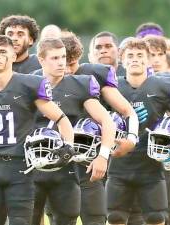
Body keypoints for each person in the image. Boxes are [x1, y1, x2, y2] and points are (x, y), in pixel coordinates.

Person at [0, 35, 74, 225]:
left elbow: (62, 119)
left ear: (14, 56)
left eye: (3, 52)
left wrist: (68, 145)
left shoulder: (29, 85)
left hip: (20, 169)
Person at [106, 37, 170, 225]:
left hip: (151, 167)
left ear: (148, 60)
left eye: (140, 55)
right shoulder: (111, 88)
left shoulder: (161, 86)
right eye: (130, 55)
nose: (135, 59)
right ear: (122, 60)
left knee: (156, 218)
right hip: (118, 165)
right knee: (115, 217)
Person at [31, 37, 116, 225]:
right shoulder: (27, 85)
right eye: (54, 58)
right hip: (36, 167)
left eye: (63, 57)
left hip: (72, 166)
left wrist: (103, 155)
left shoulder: (80, 84)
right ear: (41, 60)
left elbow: (107, 120)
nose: (61, 62)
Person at [59, 31, 139, 225]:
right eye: (62, 61)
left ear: (78, 57)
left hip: (90, 155)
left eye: (71, 63)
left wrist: (131, 138)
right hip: (58, 156)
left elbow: (127, 111)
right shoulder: (41, 78)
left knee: (94, 215)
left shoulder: (94, 74)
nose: (67, 69)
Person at [0, 15, 41, 79]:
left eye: (20, 34)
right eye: (10, 34)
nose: (14, 38)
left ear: (30, 40)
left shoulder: (41, 64)